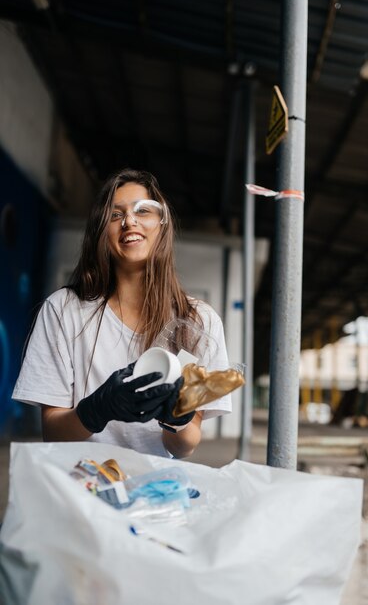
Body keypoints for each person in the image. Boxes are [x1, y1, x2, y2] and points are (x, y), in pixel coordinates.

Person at [12, 169, 231, 459]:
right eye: (116, 215)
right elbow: (53, 434)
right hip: (81, 486)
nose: (129, 221)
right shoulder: (63, 310)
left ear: (162, 225)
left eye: (143, 211)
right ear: (101, 232)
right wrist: (97, 409)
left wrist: (177, 418)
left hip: (154, 491)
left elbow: (184, 446)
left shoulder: (198, 321)